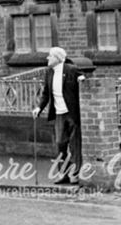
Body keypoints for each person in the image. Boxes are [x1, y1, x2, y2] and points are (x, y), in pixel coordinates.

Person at [32, 46, 85, 184]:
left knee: (74, 145)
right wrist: (39, 107)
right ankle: (63, 173)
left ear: (57, 58)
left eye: (50, 56)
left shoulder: (71, 69)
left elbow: (83, 78)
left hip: (72, 113)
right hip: (59, 114)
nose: (47, 58)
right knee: (60, 144)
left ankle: (75, 173)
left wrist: (81, 79)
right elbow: (45, 93)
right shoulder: (49, 72)